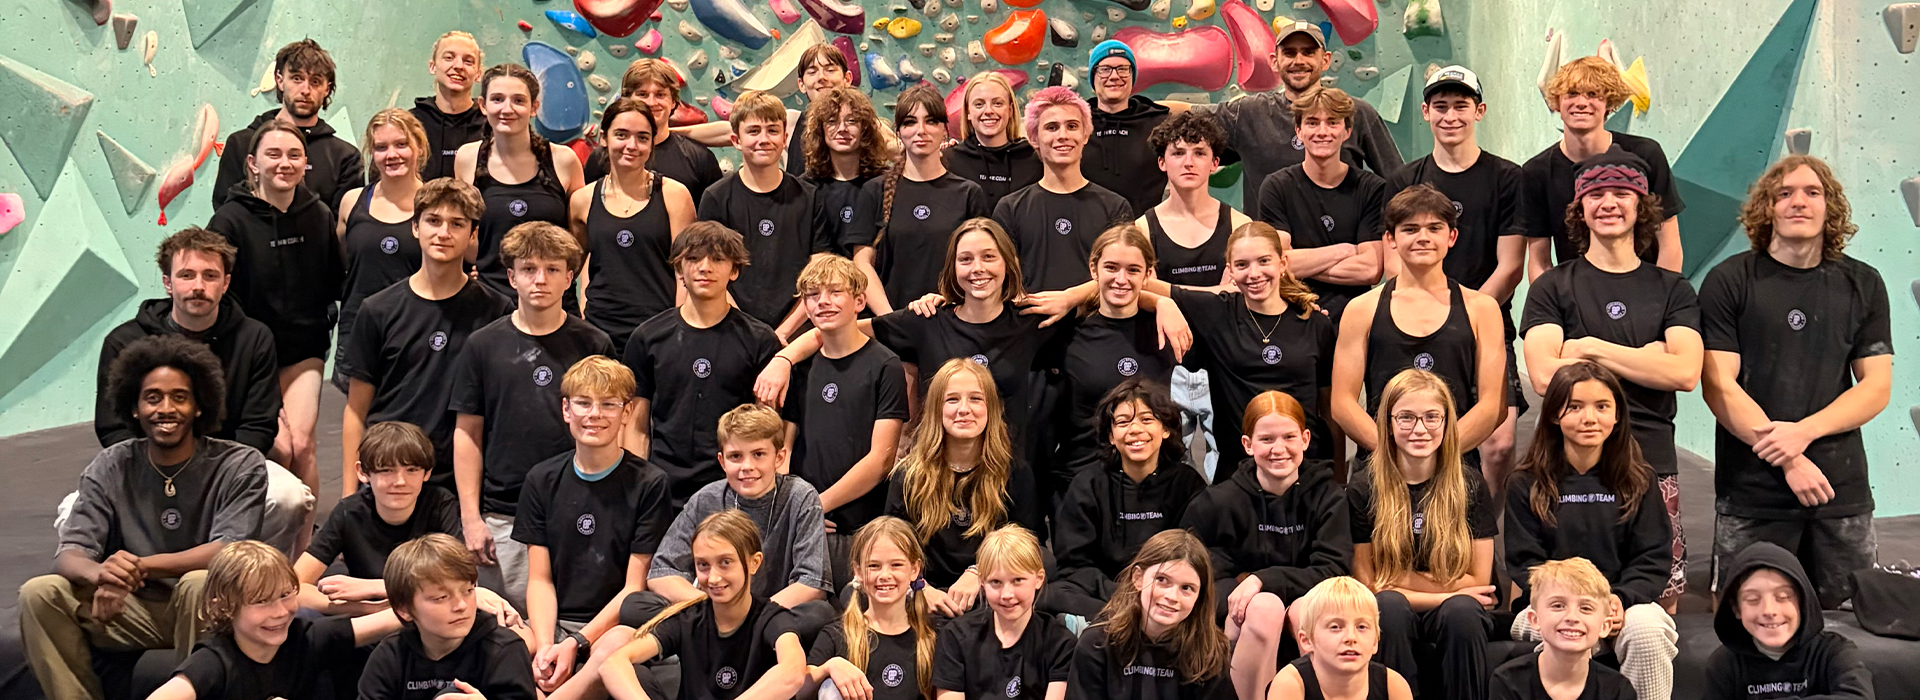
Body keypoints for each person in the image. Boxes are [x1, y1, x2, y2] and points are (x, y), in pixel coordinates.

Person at [21, 336, 268, 700]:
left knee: (197, 582)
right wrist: (102, 574)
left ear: (199, 406)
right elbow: (70, 553)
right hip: (129, 607)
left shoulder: (238, 464)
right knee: (39, 593)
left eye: (179, 397)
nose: (166, 409)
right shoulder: (112, 464)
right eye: (153, 398)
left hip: (210, 608)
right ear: (134, 409)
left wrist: (138, 567)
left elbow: (229, 551)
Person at [1699, 155, 1892, 610]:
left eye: (1812, 192)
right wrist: (1789, 459)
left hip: (1838, 489)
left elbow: (1875, 387)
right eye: (1784, 193)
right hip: (1752, 491)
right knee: (1745, 618)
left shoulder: (1863, 283)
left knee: (1856, 622)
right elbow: (1719, 386)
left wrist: (1802, 434)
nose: (1798, 202)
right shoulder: (1729, 281)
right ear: (1766, 208)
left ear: (1830, 206)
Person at [1520, 150, 1701, 610]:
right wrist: (1646, 358)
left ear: (1642, 206)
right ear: (1579, 208)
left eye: (1622, 193)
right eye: (1595, 194)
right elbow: (1544, 375)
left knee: (1657, 602)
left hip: (1650, 457)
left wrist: (1589, 348)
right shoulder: (1552, 286)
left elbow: (1684, 372)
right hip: (1569, 464)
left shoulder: (1672, 288)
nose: (1608, 203)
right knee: (1560, 602)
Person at [451, 222, 615, 611]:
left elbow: (610, 430)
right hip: (505, 513)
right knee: (508, 621)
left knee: (578, 618)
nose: (540, 280)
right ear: (511, 277)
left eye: (552, 269)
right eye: (528, 269)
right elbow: (468, 433)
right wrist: (471, 517)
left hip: (580, 506)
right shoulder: (483, 345)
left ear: (570, 278)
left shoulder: (593, 343)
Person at [1387, 66, 1526, 498]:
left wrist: (1464, 317)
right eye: (1441, 106)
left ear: (1479, 111)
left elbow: (1511, 266)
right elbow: (1392, 261)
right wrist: (1431, 313)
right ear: (1426, 112)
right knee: (1414, 435)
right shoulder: (1403, 180)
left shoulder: (1507, 178)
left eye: (1461, 106)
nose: (1450, 116)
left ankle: (1483, 527)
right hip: (1413, 325)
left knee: (1498, 446)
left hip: (1487, 323)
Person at [1505, 363, 1676, 700]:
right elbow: (1526, 564)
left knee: (1647, 631)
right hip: (1553, 604)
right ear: (1554, 415)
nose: (1589, 418)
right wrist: (1579, 607)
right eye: (1575, 407)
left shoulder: (1639, 481)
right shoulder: (1525, 483)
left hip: (1623, 604)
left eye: (1602, 407)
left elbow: (1652, 560)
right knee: (1560, 630)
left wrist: (1616, 600)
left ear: (1617, 415)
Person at [206, 118, 341, 535]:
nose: (285, 163)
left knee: (301, 445)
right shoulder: (229, 221)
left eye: (294, 155)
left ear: (305, 163)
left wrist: (325, 320)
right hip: (249, 355)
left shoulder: (318, 214)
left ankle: (302, 555)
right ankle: (257, 539)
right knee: (276, 448)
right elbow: (221, 298)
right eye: (274, 154)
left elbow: (333, 281)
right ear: (253, 163)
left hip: (303, 350)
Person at [342, 177, 514, 496]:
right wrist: (349, 496)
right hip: (388, 473)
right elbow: (356, 410)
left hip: (459, 482)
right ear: (415, 227)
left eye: (457, 224)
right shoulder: (378, 310)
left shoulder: (496, 311)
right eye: (433, 221)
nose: (443, 233)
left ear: (472, 235)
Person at [515, 356, 674, 693]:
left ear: (627, 413)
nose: (595, 414)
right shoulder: (541, 479)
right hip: (554, 623)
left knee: (612, 651)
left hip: (613, 624)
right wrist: (546, 647)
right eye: (583, 403)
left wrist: (576, 642)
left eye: (608, 404)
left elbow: (634, 587)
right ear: (566, 409)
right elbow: (540, 579)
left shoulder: (650, 483)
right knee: (505, 642)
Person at [1181, 391, 1349, 695]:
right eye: (1267, 439)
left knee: (1308, 611)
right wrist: (1243, 589)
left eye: (1289, 437)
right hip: (1241, 611)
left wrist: (1260, 579)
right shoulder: (1218, 501)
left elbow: (1333, 569)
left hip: (1304, 601)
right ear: (1248, 445)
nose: (1279, 449)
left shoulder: (1328, 497)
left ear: (1305, 439)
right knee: (1265, 608)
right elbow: (1193, 570)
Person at [1330, 184, 1507, 464]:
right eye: (1410, 229)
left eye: (1434, 228)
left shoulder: (1482, 309)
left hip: (1454, 463)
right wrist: (1394, 455)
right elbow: (1342, 403)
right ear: (1390, 239)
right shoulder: (1361, 310)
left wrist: (1438, 456)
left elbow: (1493, 406)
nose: (1423, 238)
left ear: (1452, 236)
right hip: (1382, 462)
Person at [1348, 369, 1497, 700]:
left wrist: (1397, 580)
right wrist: (1446, 592)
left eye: (1432, 417)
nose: (1420, 429)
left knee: (1463, 613)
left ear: (1446, 423)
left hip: (1455, 610)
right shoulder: (1363, 487)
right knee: (1388, 607)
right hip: (1397, 606)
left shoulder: (1470, 484)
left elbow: (1479, 581)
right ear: (1388, 424)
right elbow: (1369, 586)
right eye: (1406, 417)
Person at [629, 404, 832, 631]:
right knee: (635, 606)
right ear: (722, 461)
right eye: (736, 456)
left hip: (769, 616)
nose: (747, 466)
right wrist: (712, 606)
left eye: (758, 454)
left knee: (818, 614)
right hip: (711, 611)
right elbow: (661, 573)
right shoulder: (706, 498)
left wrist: (751, 615)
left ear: (779, 457)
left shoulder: (801, 496)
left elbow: (812, 582)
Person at [623, 222, 781, 507]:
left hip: (733, 491)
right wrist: (638, 487)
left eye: (718, 259)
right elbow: (636, 428)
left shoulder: (759, 339)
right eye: (694, 258)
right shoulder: (647, 337)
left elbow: (765, 428)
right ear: (679, 268)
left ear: (734, 271)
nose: (705, 267)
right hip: (663, 489)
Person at [1165, 222, 1336, 476]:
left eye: (1264, 261)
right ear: (1230, 271)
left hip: (1306, 470)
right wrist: (1163, 304)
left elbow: (1329, 409)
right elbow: (1139, 286)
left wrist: (1338, 474)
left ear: (1282, 263)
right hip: (1238, 473)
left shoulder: (1315, 324)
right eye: (1242, 265)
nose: (1254, 273)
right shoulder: (1216, 314)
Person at [780, 256, 909, 591]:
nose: (823, 301)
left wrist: (818, 504)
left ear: (860, 301)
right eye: (813, 294)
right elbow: (785, 449)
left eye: (835, 292)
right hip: (805, 525)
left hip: (860, 528)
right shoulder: (801, 366)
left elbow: (881, 460)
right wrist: (798, 507)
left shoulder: (885, 365)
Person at [96, 227, 279, 458]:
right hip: (147, 463)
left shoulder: (255, 338)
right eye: (187, 275)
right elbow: (113, 427)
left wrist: (223, 469)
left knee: (287, 479)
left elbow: (258, 426)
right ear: (168, 283)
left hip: (229, 463)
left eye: (210, 276)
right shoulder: (123, 342)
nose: (199, 286)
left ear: (225, 283)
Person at [141, 541, 402, 700]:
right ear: (224, 607)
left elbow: (396, 617)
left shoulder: (306, 638)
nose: (279, 612)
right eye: (261, 601)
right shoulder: (213, 663)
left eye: (285, 595)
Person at [1137, 112, 1251, 478]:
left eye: (1199, 153)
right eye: (1178, 152)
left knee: (1231, 468)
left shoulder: (1240, 226)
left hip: (1224, 364)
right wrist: (1214, 292)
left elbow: (1243, 295)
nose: (1189, 162)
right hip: (1164, 364)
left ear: (1215, 164)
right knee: (1166, 470)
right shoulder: (1143, 229)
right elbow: (1137, 288)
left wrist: (1167, 290)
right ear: (1162, 162)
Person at [1184, 22, 1402, 211]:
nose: (1299, 60)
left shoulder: (1356, 112)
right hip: (1269, 244)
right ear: (1274, 61)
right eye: (1289, 53)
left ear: (1326, 60)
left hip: (1342, 242)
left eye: (1308, 52)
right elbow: (1187, 115)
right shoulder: (1247, 113)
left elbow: (1399, 184)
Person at [595, 510, 811, 700]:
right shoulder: (687, 618)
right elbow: (613, 664)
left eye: (725, 562)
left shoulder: (772, 618)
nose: (713, 578)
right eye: (703, 565)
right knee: (634, 674)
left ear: (754, 563)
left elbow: (792, 672)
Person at [887, 359, 1046, 615]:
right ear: (936, 409)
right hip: (924, 594)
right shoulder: (908, 475)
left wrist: (980, 572)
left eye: (975, 399)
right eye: (952, 400)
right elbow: (892, 547)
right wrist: (918, 587)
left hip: (991, 595)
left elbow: (1030, 546)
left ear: (990, 408)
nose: (964, 409)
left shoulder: (1015, 473)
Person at [1049, 380, 1208, 617]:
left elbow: (1195, 554)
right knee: (1054, 595)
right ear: (1111, 436)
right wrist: (1123, 596)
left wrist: (1155, 590)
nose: (1135, 429)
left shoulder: (1187, 483)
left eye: (1147, 419)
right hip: (1106, 595)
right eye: (1123, 422)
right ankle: (1124, 620)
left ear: (1165, 430)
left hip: (1167, 592)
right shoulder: (1088, 484)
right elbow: (1074, 564)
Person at [1522, 57, 1684, 279]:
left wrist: (1664, 295)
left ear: (1609, 104)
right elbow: (1539, 260)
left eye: (1592, 94)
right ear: (1556, 103)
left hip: (1645, 289)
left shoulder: (1646, 154)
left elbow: (1669, 243)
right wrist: (1547, 300)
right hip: (1576, 294)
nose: (1581, 102)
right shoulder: (1536, 172)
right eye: (1572, 94)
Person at [697, 89, 835, 337]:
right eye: (753, 131)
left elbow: (819, 272)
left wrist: (782, 334)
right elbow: (709, 272)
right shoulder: (716, 198)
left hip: (796, 330)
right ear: (736, 140)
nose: (764, 139)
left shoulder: (810, 197)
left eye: (772, 130)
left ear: (785, 138)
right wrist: (750, 334)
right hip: (731, 329)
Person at [845, 83, 989, 315]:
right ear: (899, 131)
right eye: (910, 122)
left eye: (931, 121)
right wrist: (891, 319)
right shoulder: (874, 190)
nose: (921, 130)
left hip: (952, 317)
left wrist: (949, 300)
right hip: (890, 319)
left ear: (944, 129)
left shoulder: (968, 193)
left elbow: (979, 264)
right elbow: (862, 263)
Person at [569, 97, 698, 356]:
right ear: (604, 138)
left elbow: (685, 273)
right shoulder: (582, 200)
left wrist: (679, 330)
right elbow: (569, 269)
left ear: (652, 143)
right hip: (599, 333)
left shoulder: (674, 195)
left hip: (658, 333)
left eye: (642, 137)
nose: (632, 145)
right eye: (621, 135)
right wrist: (578, 317)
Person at [1049, 226, 1179, 479]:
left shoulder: (1167, 327)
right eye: (1111, 267)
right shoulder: (1067, 334)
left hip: (1153, 477)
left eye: (1133, 270)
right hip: (1082, 476)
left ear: (1148, 274)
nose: (1121, 279)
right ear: (1093, 269)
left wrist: (1165, 301)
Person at [455, 63, 588, 308]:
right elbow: (466, 234)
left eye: (518, 100)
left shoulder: (564, 161)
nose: (507, 109)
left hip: (553, 304)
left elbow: (579, 240)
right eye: (497, 99)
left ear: (534, 107)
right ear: (483, 105)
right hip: (490, 305)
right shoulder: (467, 159)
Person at [297, 422, 464, 616]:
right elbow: (294, 587)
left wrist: (377, 588)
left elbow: (460, 579)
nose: (400, 481)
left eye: (411, 470)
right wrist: (366, 608)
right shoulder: (349, 511)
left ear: (427, 473)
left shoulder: (440, 504)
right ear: (363, 472)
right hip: (370, 617)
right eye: (386, 470)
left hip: (428, 616)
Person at [1254, 87, 1386, 320]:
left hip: (1355, 318)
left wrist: (1300, 262)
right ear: (1299, 131)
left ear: (1347, 131)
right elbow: (1277, 263)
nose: (1322, 132)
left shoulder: (1372, 189)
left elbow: (1370, 269)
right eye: (1312, 123)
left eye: (1332, 122)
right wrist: (1344, 250)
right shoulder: (1276, 187)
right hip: (1293, 315)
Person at [356, 533, 541, 700]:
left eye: (468, 590)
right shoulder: (390, 655)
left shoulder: (504, 650)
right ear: (404, 609)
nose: (461, 606)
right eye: (441, 597)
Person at [991, 86, 1134, 294]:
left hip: (1097, 314)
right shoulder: (1010, 208)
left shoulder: (1115, 207)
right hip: (1030, 313)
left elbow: (1122, 275)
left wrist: (1070, 299)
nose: (1063, 135)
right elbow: (1003, 277)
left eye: (1072, 126)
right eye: (1052, 127)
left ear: (1085, 135)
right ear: (1033, 138)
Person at [1069, 530, 1234, 700]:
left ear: (1199, 596)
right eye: (1162, 580)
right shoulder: (1096, 643)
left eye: (1186, 588)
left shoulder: (1209, 651)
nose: (1172, 597)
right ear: (1138, 578)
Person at [1703, 542, 1875, 700]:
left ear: (1802, 602)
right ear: (1736, 609)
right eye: (1753, 599)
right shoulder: (1724, 664)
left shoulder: (1833, 652)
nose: (1769, 610)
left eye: (1783, 597)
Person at [334, 109, 429, 390]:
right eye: (381, 147)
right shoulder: (352, 202)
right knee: (361, 415)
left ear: (419, 147)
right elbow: (344, 259)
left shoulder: (436, 204)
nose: (392, 155)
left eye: (401, 144)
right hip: (359, 333)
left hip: (418, 333)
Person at [212, 39, 362, 212]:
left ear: (326, 89)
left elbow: (343, 222)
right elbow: (225, 212)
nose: (305, 90)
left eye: (315, 81)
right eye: (297, 78)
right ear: (279, 80)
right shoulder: (241, 144)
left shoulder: (345, 158)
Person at [803, 517, 942, 700]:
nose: (884, 575)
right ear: (858, 571)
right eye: (874, 566)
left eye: (896, 565)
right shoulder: (837, 634)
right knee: (830, 689)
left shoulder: (935, 635)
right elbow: (799, 690)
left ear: (915, 570)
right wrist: (828, 667)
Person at [675, 43, 862, 179]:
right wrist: (668, 133)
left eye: (830, 70)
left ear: (847, 78)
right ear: (801, 84)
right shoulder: (792, 121)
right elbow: (728, 131)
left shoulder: (866, 125)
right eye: (812, 72)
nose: (821, 78)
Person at [931, 525, 1074, 700]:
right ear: (982, 583)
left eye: (1017, 580)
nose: (1007, 595)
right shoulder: (955, 637)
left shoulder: (1060, 643)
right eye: (996, 582)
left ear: (1039, 579)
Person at [1489, 558, 1640, 700]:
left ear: (1604, 626)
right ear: (1534, 620)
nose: (1572, 617)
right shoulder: (1507, 681)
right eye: (1558, 606)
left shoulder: (1618, 689)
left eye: (1586, 608)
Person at [591, 58, 724, 199]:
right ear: (627, 100)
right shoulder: (602, 157)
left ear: (673, 102)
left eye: (660, 95)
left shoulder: (700, 158)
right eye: (642, 94)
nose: (651, 102)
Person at [1268, 576, 1414, 700]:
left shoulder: (1393, 686)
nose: (1351, 637)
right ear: (1306, 640)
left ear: (1375, 641)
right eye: (1335, 627)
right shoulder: (1290, 685)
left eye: (1361, 627)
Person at [1083, 40, 1173, 217]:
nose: (1114, 76)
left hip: (1142, 228)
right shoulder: (1075, 123)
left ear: (1132, 75)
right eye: (1105, 69)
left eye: (1123, 69)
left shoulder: (1159, 123)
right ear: (1093, 76)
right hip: (1085, 226)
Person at [804, 86, 892, 256]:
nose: (842, 128)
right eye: (832, 121)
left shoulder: (887, 183)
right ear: (820, 129)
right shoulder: (806, 188)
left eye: (851, 121)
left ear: (865, 128)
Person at [944, 71, 1042, 210]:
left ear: (1010, 110)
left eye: (997, 103)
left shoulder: (1034, 159)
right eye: (979, 104)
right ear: (968, 112)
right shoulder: (949, 161)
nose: (988, 111)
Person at [410, 31, 489, 182]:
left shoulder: (491, 125)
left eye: (468, 61)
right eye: (449, 58)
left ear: (478, 74)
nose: (458, 66)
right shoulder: (410, 125)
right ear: (432, 66)